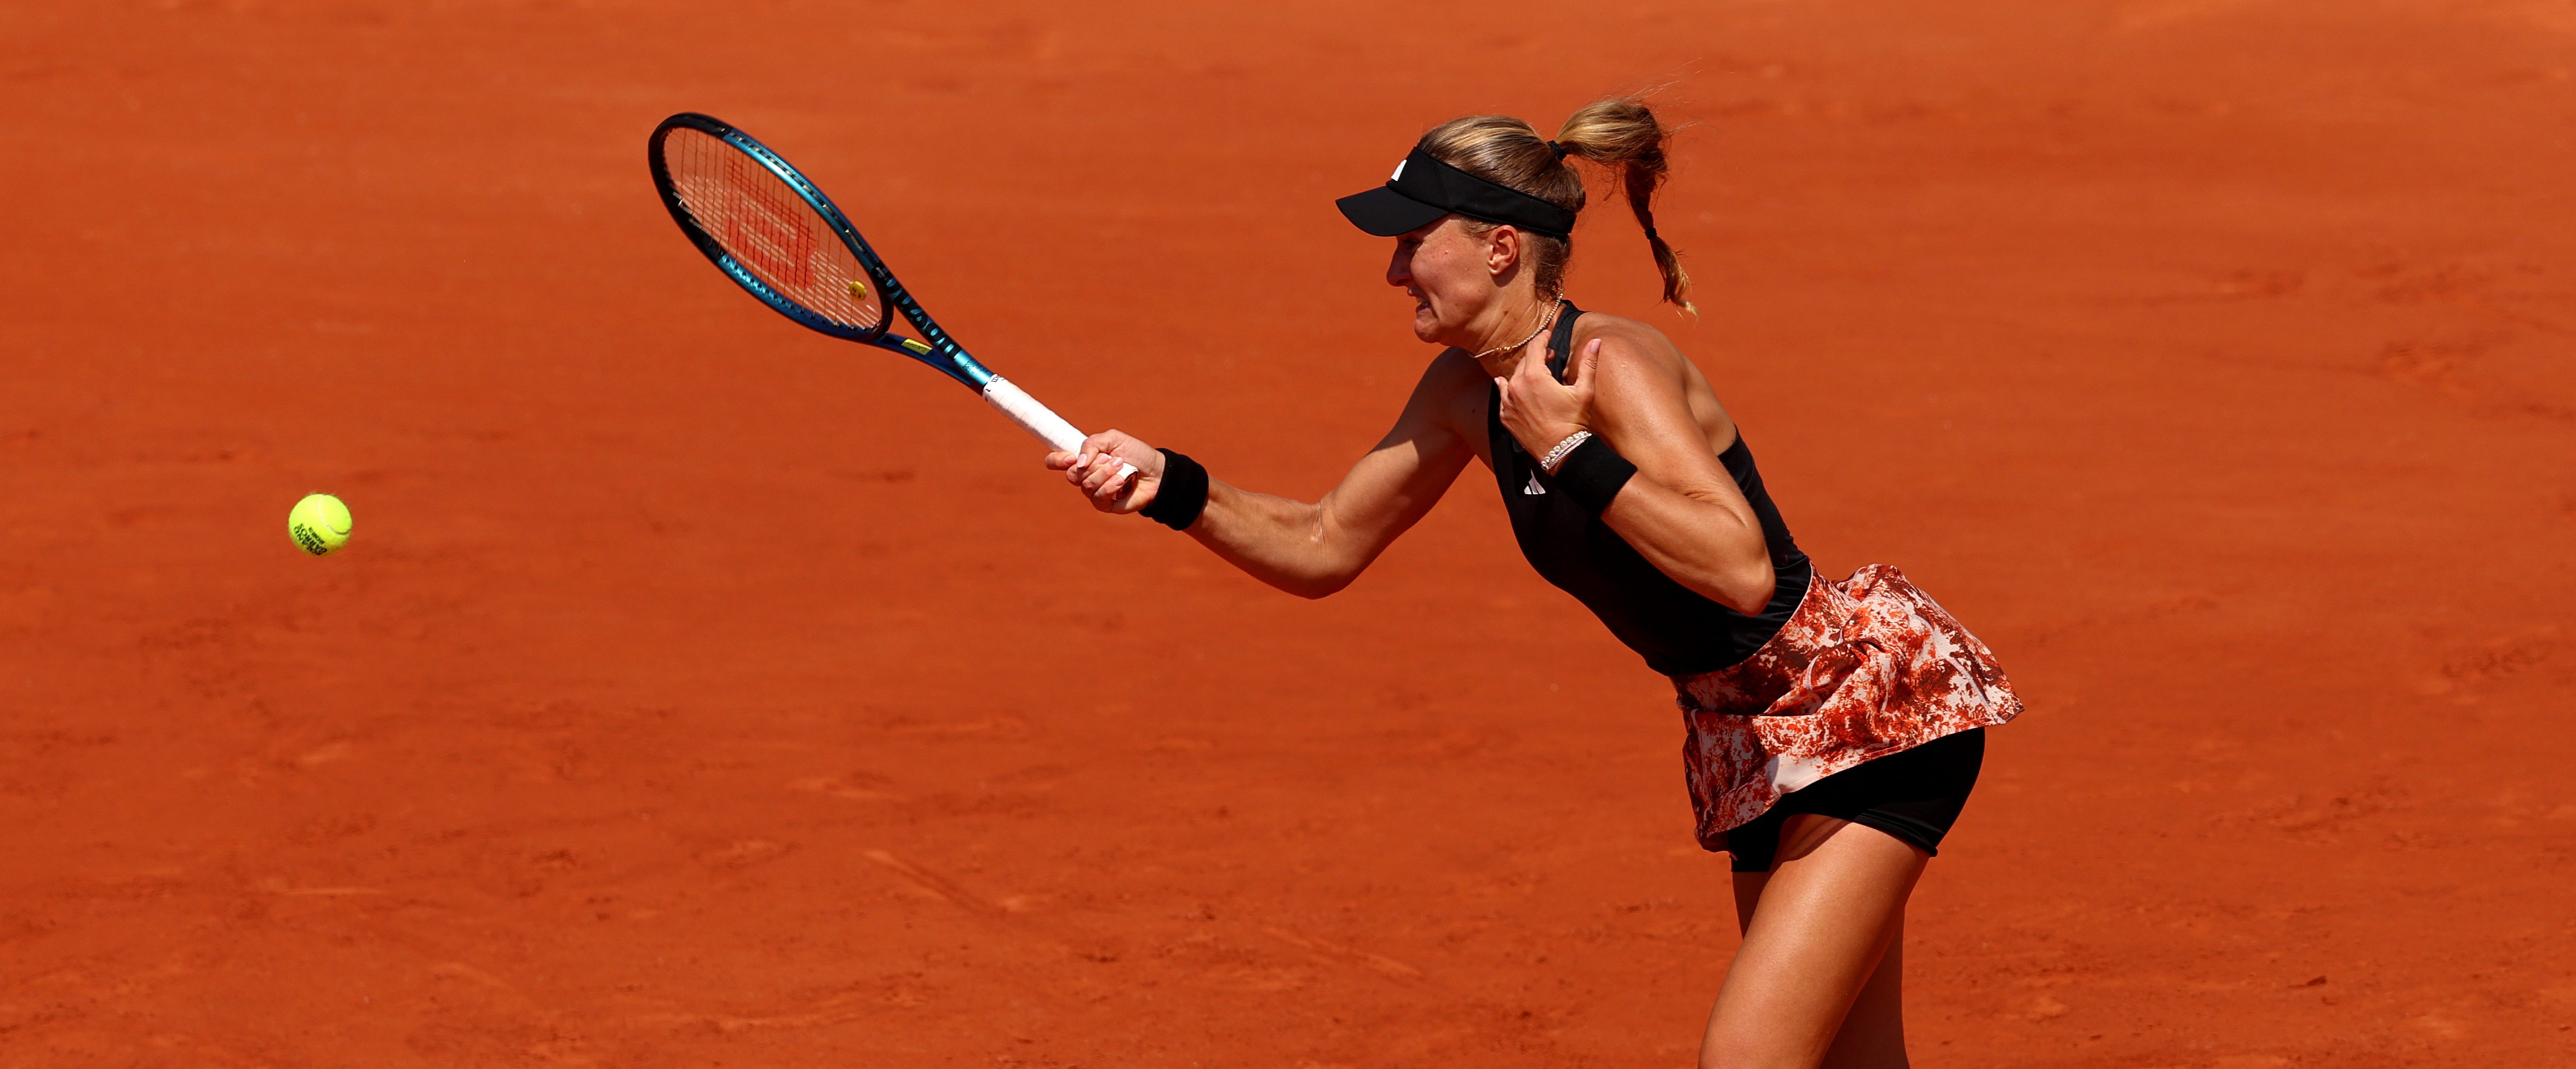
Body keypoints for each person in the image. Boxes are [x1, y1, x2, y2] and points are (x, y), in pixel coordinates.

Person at [1045, 98, 2022, 1069]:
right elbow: (1323, 542)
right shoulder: (1467, 394)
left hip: (1865, 716)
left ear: (1502, 248)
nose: (1392, 271)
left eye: (1412, 242)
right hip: (1750, 741)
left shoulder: (1612, 364)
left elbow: (1737, 569)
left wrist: (1569, 450)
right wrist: (1169, 486)